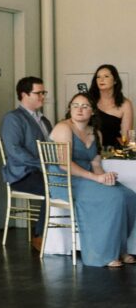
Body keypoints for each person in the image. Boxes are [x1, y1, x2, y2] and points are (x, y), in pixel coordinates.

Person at [48, 93, 136, 268]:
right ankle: (102, 255)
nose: (79, 109)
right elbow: (65, 165)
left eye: (85, 106)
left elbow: (95, 163)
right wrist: (96, 178)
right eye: (75, 105)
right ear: (69, 108)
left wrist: (104, 177)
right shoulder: (63, 128)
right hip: (65, 180)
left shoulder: (96, 133)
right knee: (113, 198)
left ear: (93, 112)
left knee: (128, 195)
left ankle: (120, 248)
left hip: (86, 178)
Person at [0, 76, 53, 251]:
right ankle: (39, 235)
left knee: (66, 184)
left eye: (43, 93)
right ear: (24, 95)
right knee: (52, 188)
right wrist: (42, 164)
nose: (42, 97)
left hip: (43, 171)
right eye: (38, 93)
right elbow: (14, 150)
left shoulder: (44, 121)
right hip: (22, 174)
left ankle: (61, 239)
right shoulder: (13, 118)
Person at [88, 64, 134, 148]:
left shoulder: (125, 104)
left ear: (115, 80)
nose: (101, 80)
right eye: (98, 77)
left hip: (113, 151)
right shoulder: (88, 101)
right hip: (89, 150)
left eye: (106, 76)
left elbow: (126, 137)